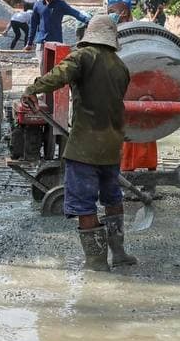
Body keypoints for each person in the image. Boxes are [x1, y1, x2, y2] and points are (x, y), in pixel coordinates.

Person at [20, 15, 136, 271]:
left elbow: (60, 75)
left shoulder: (83, 56)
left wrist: (32, 89)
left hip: (85, 146)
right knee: (112, 197)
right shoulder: (120, 66)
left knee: (84, 202)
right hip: (112, 146)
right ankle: (119, 254)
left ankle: (96, 261)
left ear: (89, 35)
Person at [25, 0, 92, 61]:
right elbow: (33, 25)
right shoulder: (38, 5)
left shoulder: (60, 4)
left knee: (55, 67)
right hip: (42, 42)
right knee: (43, 68)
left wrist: (88, 21)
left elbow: (75, 13)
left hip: (56, 42)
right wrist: (29, 43)